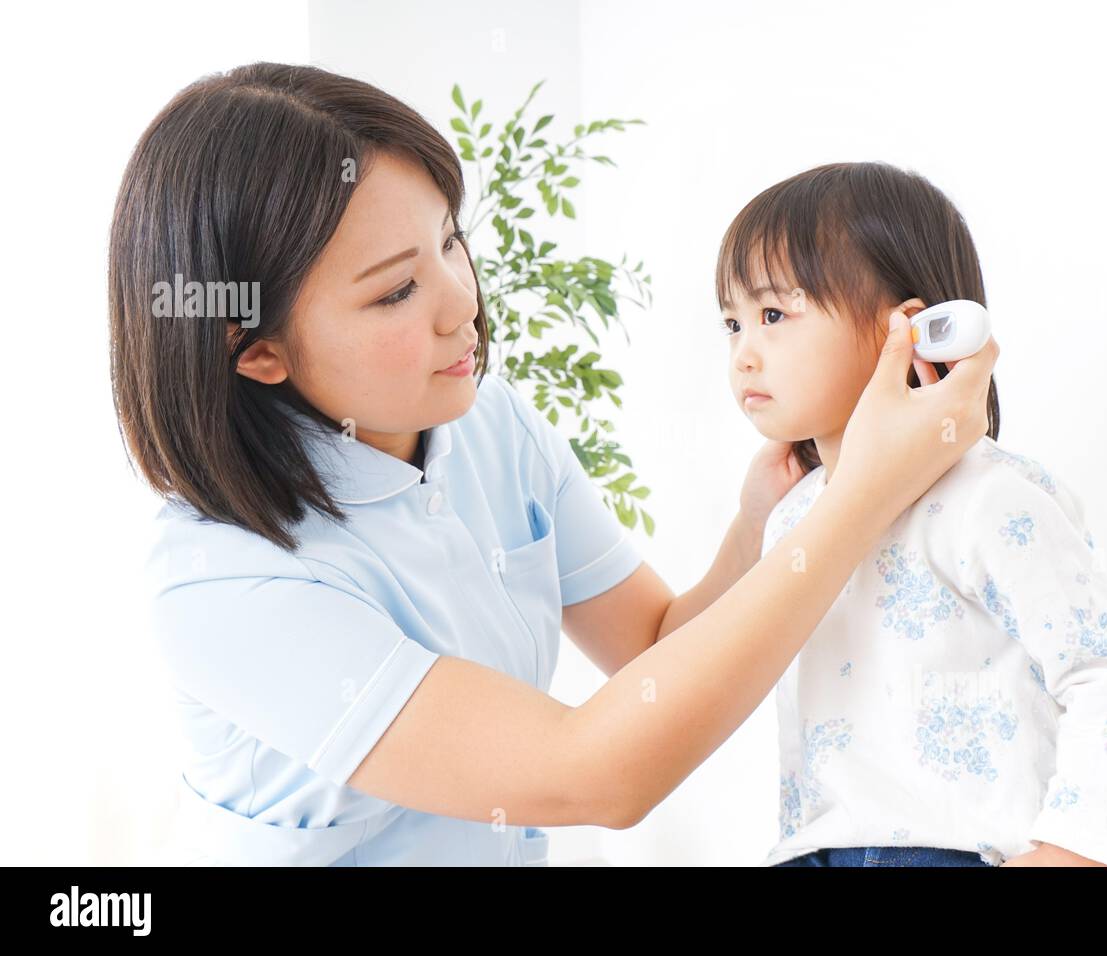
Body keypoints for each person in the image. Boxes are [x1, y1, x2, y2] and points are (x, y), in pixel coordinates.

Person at [108, 63, 998, 865]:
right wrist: (867, 494)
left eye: (449, 243)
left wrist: (757, 527)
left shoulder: (488, 423)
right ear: (256, 350)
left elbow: (652, 648)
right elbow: (592, 777)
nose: (463, 306)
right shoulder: (222, 579)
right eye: (395, 291)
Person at [711, 161, 1107, 868]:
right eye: (732, 323)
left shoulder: (990, 499)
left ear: (913, 328)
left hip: (963, 852)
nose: (744, 353)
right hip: (810, 850)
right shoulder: (791, 517)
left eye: (773, 315)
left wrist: (1076, 850)